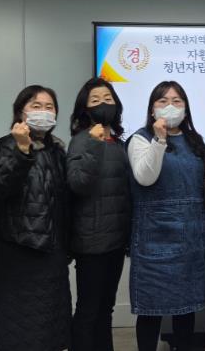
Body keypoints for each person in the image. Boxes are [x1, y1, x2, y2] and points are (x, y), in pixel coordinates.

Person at [0, 85, 71, 351]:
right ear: (20, 112)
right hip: (19, 252)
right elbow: (0, 188)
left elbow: (64, 201)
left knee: (50, 329)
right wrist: (22, 152)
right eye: (36, 106)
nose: (43, 111)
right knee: (15, 328)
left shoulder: (57, 150)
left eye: (49, 107)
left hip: (52, 254)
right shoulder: (6, 145)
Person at [127, 80, 205, 351]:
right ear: (152, 109)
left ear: (185, 108)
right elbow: (145, 177)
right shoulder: (140, 138)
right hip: (154, 238)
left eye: (177, 101)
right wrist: (159, 140)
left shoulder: (196, 141)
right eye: (163, 101)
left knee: (186, 309)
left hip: (191, 238)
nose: (170, 106)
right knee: (150, 310)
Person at [67, 78, 131, 351]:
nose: (103, 104)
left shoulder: (118, 143)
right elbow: (78, 183)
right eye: (95, 100)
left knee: (106, 309)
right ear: (85, 108)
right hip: (91, 243)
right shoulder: (81, 141)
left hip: (116, 241)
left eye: (108, 99)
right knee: (88, 310)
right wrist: (94, 143)